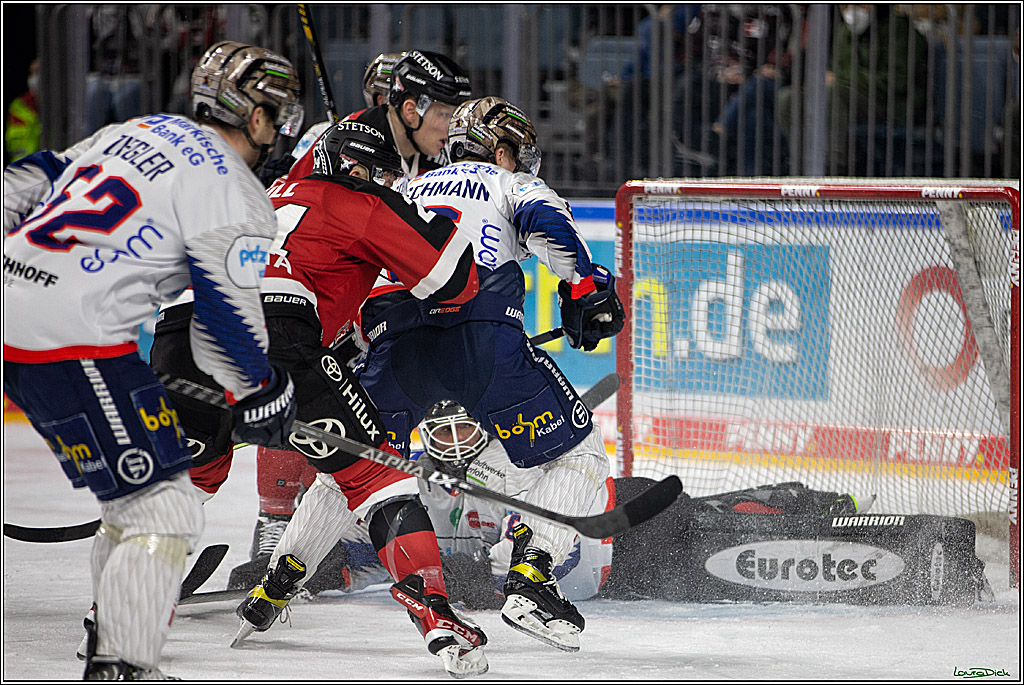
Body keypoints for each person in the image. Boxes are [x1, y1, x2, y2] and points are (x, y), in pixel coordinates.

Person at [2, 40, 302, 680]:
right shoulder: (238, 190)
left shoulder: (140, 129)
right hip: (67, 333)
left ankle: (111, 645)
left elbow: (26, 180)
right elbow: (223, 333)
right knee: (165, 509)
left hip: (18, 304)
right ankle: (123, 665)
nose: (277, 132)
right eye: (276, 117)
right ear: (256, 117)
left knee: (136, 496)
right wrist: (266, 392)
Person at [354, 96, 624, 652]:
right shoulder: (506, 183)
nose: (522, 164)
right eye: (517, 153)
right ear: (499, 150)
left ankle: (281, 578)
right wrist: (585, 288)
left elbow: (358, 275)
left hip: (391, 352)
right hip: (479, 344)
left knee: (356, 467)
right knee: (581, 452)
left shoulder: (402, 189)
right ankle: (531, 573)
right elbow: (547, 225)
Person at [232, 119, 488, 679]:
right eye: (379, 175)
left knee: (191, 476)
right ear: (352, 169)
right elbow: (455, 280)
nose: (385, 186)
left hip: (188, 334)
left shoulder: (268, 193)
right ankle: (436, 615)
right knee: (376, 476)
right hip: (285, 343)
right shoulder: (362, 204)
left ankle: (116, 616)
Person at [237, 49, 472, 587]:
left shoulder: (432, 151)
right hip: (315, 287)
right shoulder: (347, 141)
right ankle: (276, 526)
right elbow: (295, 203)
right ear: (405, 106)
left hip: (384, 281)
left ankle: (361, 526)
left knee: (361, 408)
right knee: (303, 390)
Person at [6, 58, 41, 163]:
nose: (34, 78)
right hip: (24, 171)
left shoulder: (63, 106)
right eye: (32, 73)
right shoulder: (18, 107)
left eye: (38, 72)